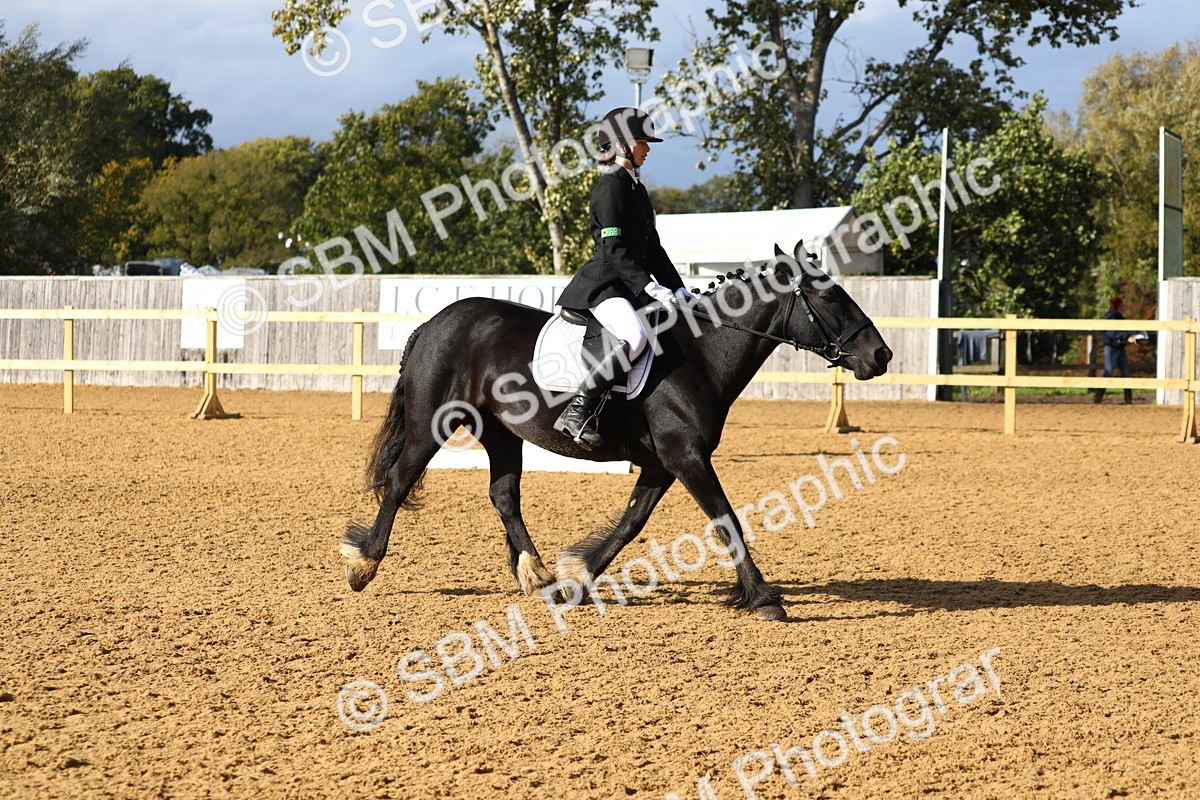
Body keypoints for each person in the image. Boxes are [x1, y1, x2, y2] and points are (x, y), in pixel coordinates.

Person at [554, 107, 693, 449]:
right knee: (634, 337)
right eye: (643, 141)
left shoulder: (636, 189)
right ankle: (577, 410)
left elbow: (654, 249)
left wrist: (678, 289)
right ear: (621, 144)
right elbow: (613, 247)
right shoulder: (609, 186)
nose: (648, 148)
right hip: (605, 285)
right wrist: (647, 285)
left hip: (630, 285)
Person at [1095, 295, 1136, 404]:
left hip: (1119, 346)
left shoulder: (1117, 316)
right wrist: (1126, 337)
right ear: (1118, 306)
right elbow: (1113, 332)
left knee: (1125, 372)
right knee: (1108, 372)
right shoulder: (1112, 317)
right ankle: (1098, 399)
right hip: (1112, 347)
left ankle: (1128, 400)